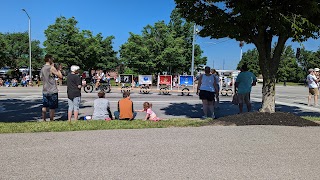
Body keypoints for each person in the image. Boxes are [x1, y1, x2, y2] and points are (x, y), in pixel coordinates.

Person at [40, 54, 63, 121]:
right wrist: (58, 69)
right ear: (49, 59)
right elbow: (60, 76)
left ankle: (44, 119)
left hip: (45, 89)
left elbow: (41, 78)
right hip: (52, 89)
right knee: (52, 107)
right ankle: (51, 119)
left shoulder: (42, 68)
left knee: (44, 106)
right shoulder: (51, 68)